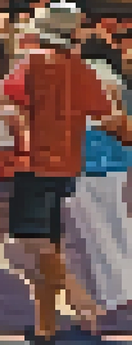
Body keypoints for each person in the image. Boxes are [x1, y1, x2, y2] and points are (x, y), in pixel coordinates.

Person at [1, 3, 131, 344]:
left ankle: (80, 301)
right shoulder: (82, 70)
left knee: (31, 241)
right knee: (50, 246)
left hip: (34, 165)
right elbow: (111, 119)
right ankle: (45, 328)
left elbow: (9, 113)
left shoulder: (27, 66)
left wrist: (14, 145)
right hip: (68, 168)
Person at [60, 34, 132, 332]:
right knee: (120, 232)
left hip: (86, 165)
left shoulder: (81, 78)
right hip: (117, 164)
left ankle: (114, 301)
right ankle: (120, 297)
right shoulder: (116, 80)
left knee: (94, 238)